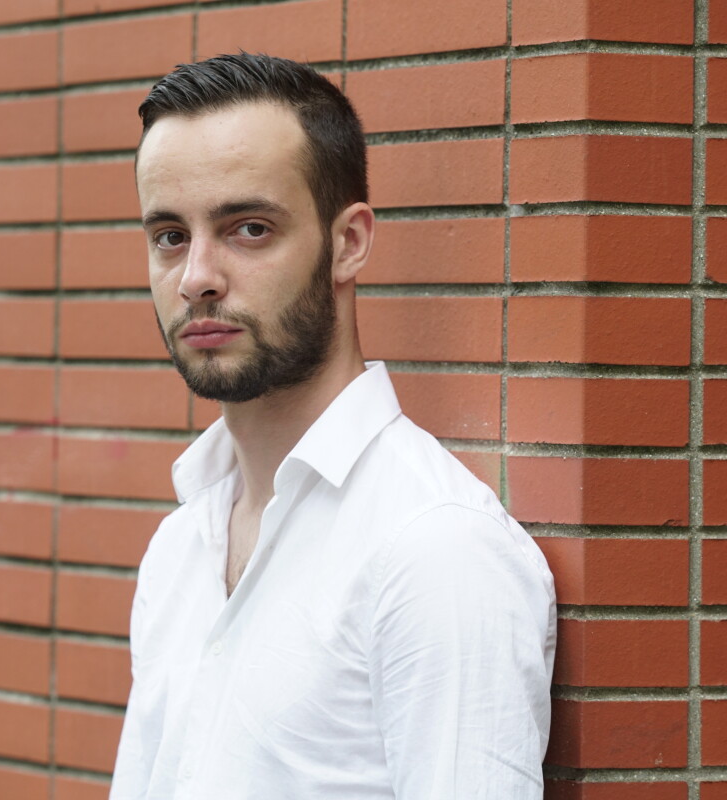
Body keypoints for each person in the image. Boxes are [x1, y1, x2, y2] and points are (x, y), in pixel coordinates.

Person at [110, 53, 556, 800]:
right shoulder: (181, 544)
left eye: (249, 229)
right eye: (170, 236)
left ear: (348, 243)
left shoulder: (434, 548)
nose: (197, 278)